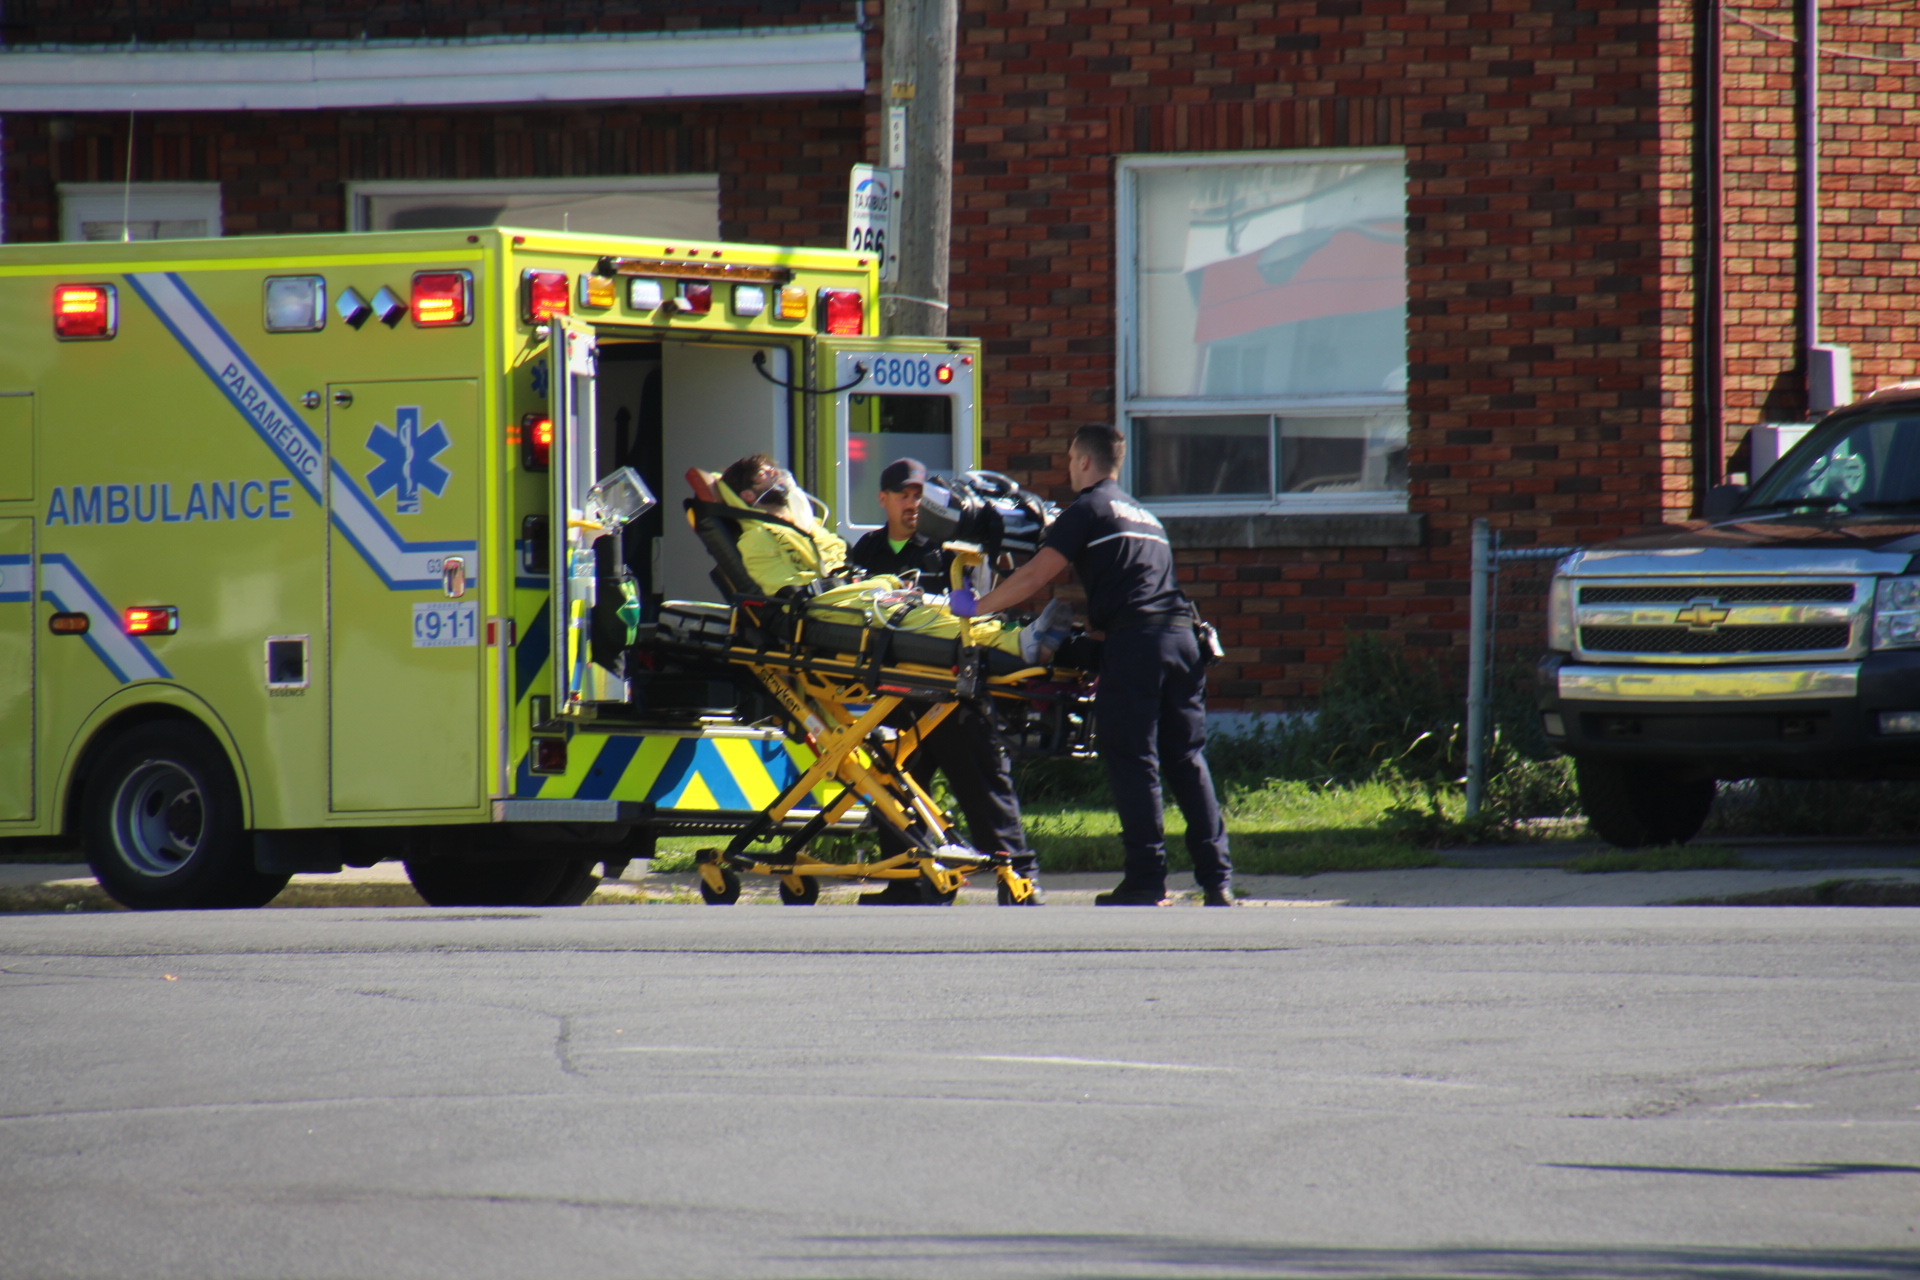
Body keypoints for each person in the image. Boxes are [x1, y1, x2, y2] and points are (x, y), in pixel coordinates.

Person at [976, 423, 1233, 906]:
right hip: (1184, 639)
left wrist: (976, 607)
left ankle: (1145, 879)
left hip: (1137, 643)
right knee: (1186, 758)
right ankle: (1217, 879)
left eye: (1071, 459)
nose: (1069, 467)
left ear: (1085, 462)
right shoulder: (1146, 516)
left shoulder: (1087, 509)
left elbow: (1034, 576)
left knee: (1133, 757)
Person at [846, 457, 1042, 903]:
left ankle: (1022, 882)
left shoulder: (948, 547)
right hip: (893, 692)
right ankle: (907, 883)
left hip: (949, 689)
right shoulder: (865, 552)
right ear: (884, 500)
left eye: (919, 495)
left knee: (983, 782)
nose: (913, 503)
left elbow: (972, 609)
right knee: (892, 785)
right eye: (904, 495)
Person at [714, 453, 1069, 665]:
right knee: (917, 617)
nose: (913, 503)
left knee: (933, 612)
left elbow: (837, 565)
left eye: (920, 495)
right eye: (766, 476)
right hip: (842, 611)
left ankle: (1018, 635)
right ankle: (1018, 643)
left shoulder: (809, 530)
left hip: (866, 603)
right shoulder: (757, 540)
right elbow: (792, 595)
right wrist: (882, 584)